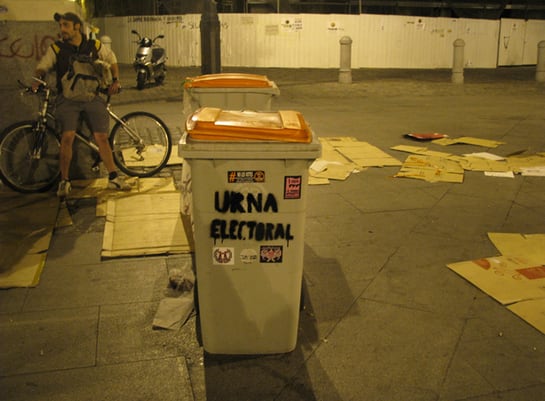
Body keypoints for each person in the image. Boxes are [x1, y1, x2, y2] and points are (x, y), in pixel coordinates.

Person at [33, 12, 131, 197]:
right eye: (61, 26)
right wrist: (38, 78)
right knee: (67, 137)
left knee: (102, 137)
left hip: (92, 96)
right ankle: (65, 181)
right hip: (68, 99)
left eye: (66, 25)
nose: (62, 29)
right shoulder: (57, 48)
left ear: (77, 27)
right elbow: (43, 65)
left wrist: (115, 81)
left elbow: (111, 59)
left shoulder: (93, 45)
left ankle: (113, 177)